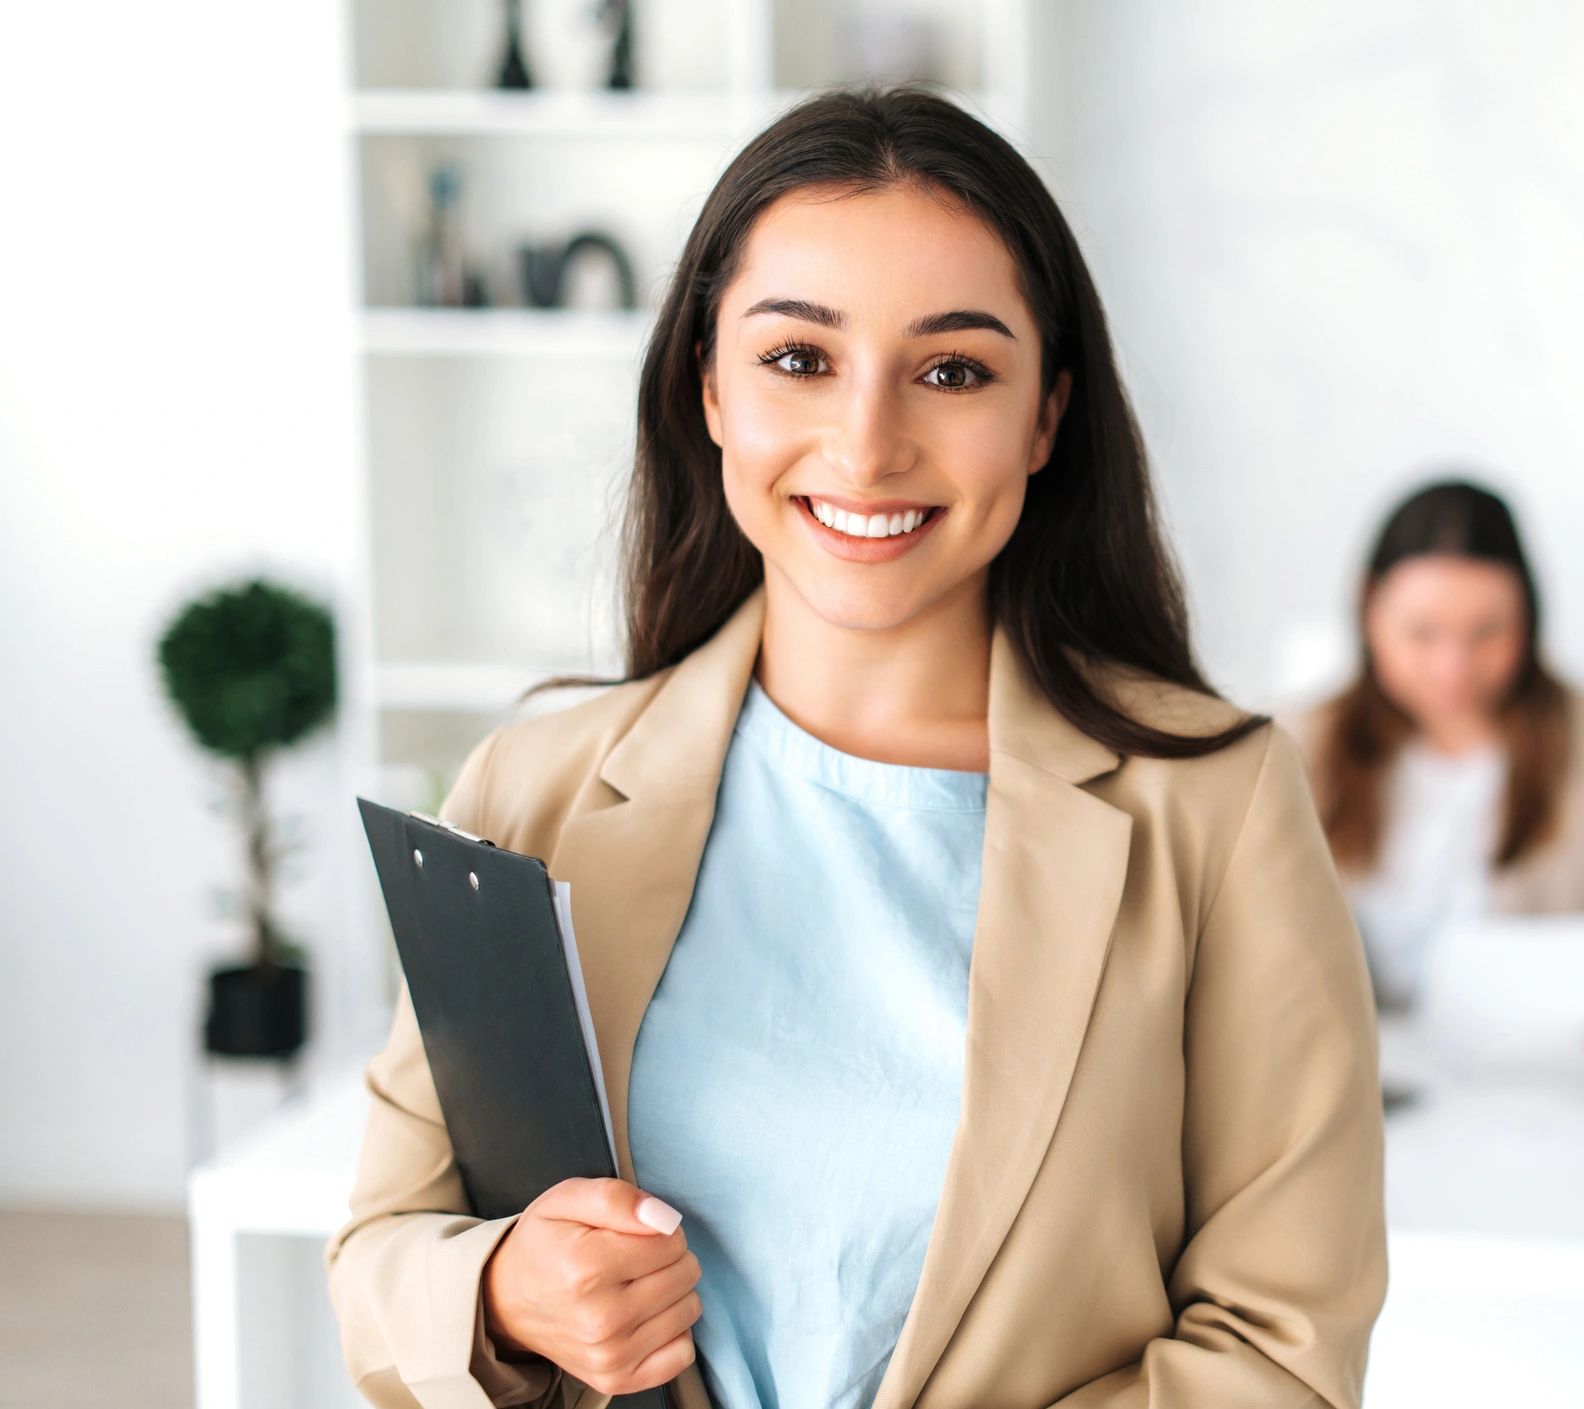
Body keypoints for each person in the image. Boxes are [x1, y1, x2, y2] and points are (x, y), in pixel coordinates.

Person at [325, 88, 1386, 1409]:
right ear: (707, 387)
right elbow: (380, 1255)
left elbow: (1281, 1350)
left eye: (953, 370)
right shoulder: (533, 786)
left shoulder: (1214, 806)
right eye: (798, 359)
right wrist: (502, 1293)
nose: (870, 443)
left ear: (1045, 417)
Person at [1290, 479, 1584, 1082]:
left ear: (1528, 618)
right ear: (1369, 611)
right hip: (1347, 1089)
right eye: (1421, 633)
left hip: (1544, 1089)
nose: (1454, 668)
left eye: (1487, 633)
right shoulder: (1293, 746)